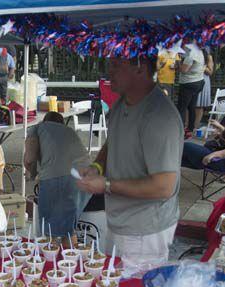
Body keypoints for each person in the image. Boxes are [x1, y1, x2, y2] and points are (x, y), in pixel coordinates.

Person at [76, 56, 183, 270]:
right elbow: (112, 142)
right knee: (113, 284)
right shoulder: (121, 104)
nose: (109, 72)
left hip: (145, 232)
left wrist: (106, 185)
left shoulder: (159, 117)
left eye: (116, 65)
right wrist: (97, 167)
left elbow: (164, 186)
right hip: (119, 220)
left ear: (140, 69)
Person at [24, 111, 91, 241]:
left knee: (50, 230)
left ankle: (51, 257)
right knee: (68, 228)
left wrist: (32, 174)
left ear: (45, 121)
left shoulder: (37, 128)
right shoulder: (69, 130)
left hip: (58, 177)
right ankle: (70, 259)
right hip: (86, 177)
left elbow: (29, 159)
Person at [177, 44, 206, 138]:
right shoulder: (201, 52)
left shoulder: (192, 55)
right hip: (199, 81)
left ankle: (179, 130)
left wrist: (177, 62)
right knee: (191, 106)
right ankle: (190, 129)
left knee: (182, 107)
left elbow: (184, 70)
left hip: (189, 83)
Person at [194, 51, 214, 130]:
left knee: (199, 105)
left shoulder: (208, 56)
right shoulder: (192, 54)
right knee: (190, 104)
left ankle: (195, 127)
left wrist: (201, 65)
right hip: (192, 80)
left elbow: (210, 72)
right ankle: (186, 125)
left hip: (203, 80)